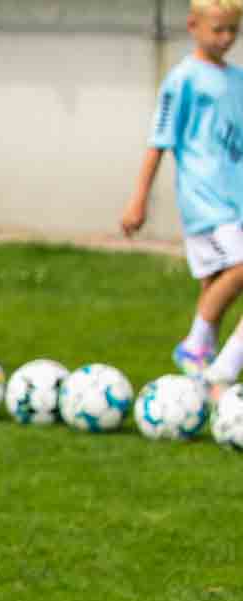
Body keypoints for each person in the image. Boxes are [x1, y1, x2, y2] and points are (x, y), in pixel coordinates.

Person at [122, 0, 243, 382]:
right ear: (193, 26)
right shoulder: (183, 79)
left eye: (234, 30)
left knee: (214, 290)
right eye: (218, 29)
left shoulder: (238, 80)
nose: (226, 38)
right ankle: (212, 358)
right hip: (205, 201)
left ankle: (203, 384)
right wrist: (139, 200)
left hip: (237, 200)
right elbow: (159, 141)